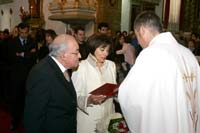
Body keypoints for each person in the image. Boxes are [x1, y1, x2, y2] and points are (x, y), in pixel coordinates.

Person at [118, 11, 200, 133]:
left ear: (142, 30)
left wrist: (121, 92)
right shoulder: (187, 53)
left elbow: (130, 96)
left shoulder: (150, 54)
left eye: (137, 36)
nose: (139, 42)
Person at [24, 34, 81, 133]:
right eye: (76, 52)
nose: (80, 56)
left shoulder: (62, 67)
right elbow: (33, 117)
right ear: (63, 55)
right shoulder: (42, 73)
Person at [71, 34, 117, 133]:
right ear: (93, 47)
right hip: (89, 122)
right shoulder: (81, 67)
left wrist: (117, 91)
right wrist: (89, 99)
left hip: (108, 121)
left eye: (108, 50)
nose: (106, 54)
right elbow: (72, 97)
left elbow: (113, 91)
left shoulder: (111, 65)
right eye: (102, 50)